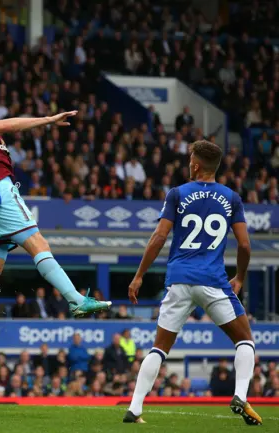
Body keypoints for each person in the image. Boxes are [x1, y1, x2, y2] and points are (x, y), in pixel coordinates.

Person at [123, 140, 262, 426]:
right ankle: (240, 395)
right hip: (214, 280)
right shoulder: (232, 198)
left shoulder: (177, 194)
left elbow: (159, 237)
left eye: (190, 160)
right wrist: (240, 277)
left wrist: (139, 276)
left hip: (179, 280)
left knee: (159, 348)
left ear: (196, 165)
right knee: (245, 340)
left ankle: (135, 408)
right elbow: (245, 246)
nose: (188, 164)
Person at [0, 87, 111, 318]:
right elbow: (10, 125)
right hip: (2, 194)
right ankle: (75, 300)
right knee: (39, 245)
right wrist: (47, 119)